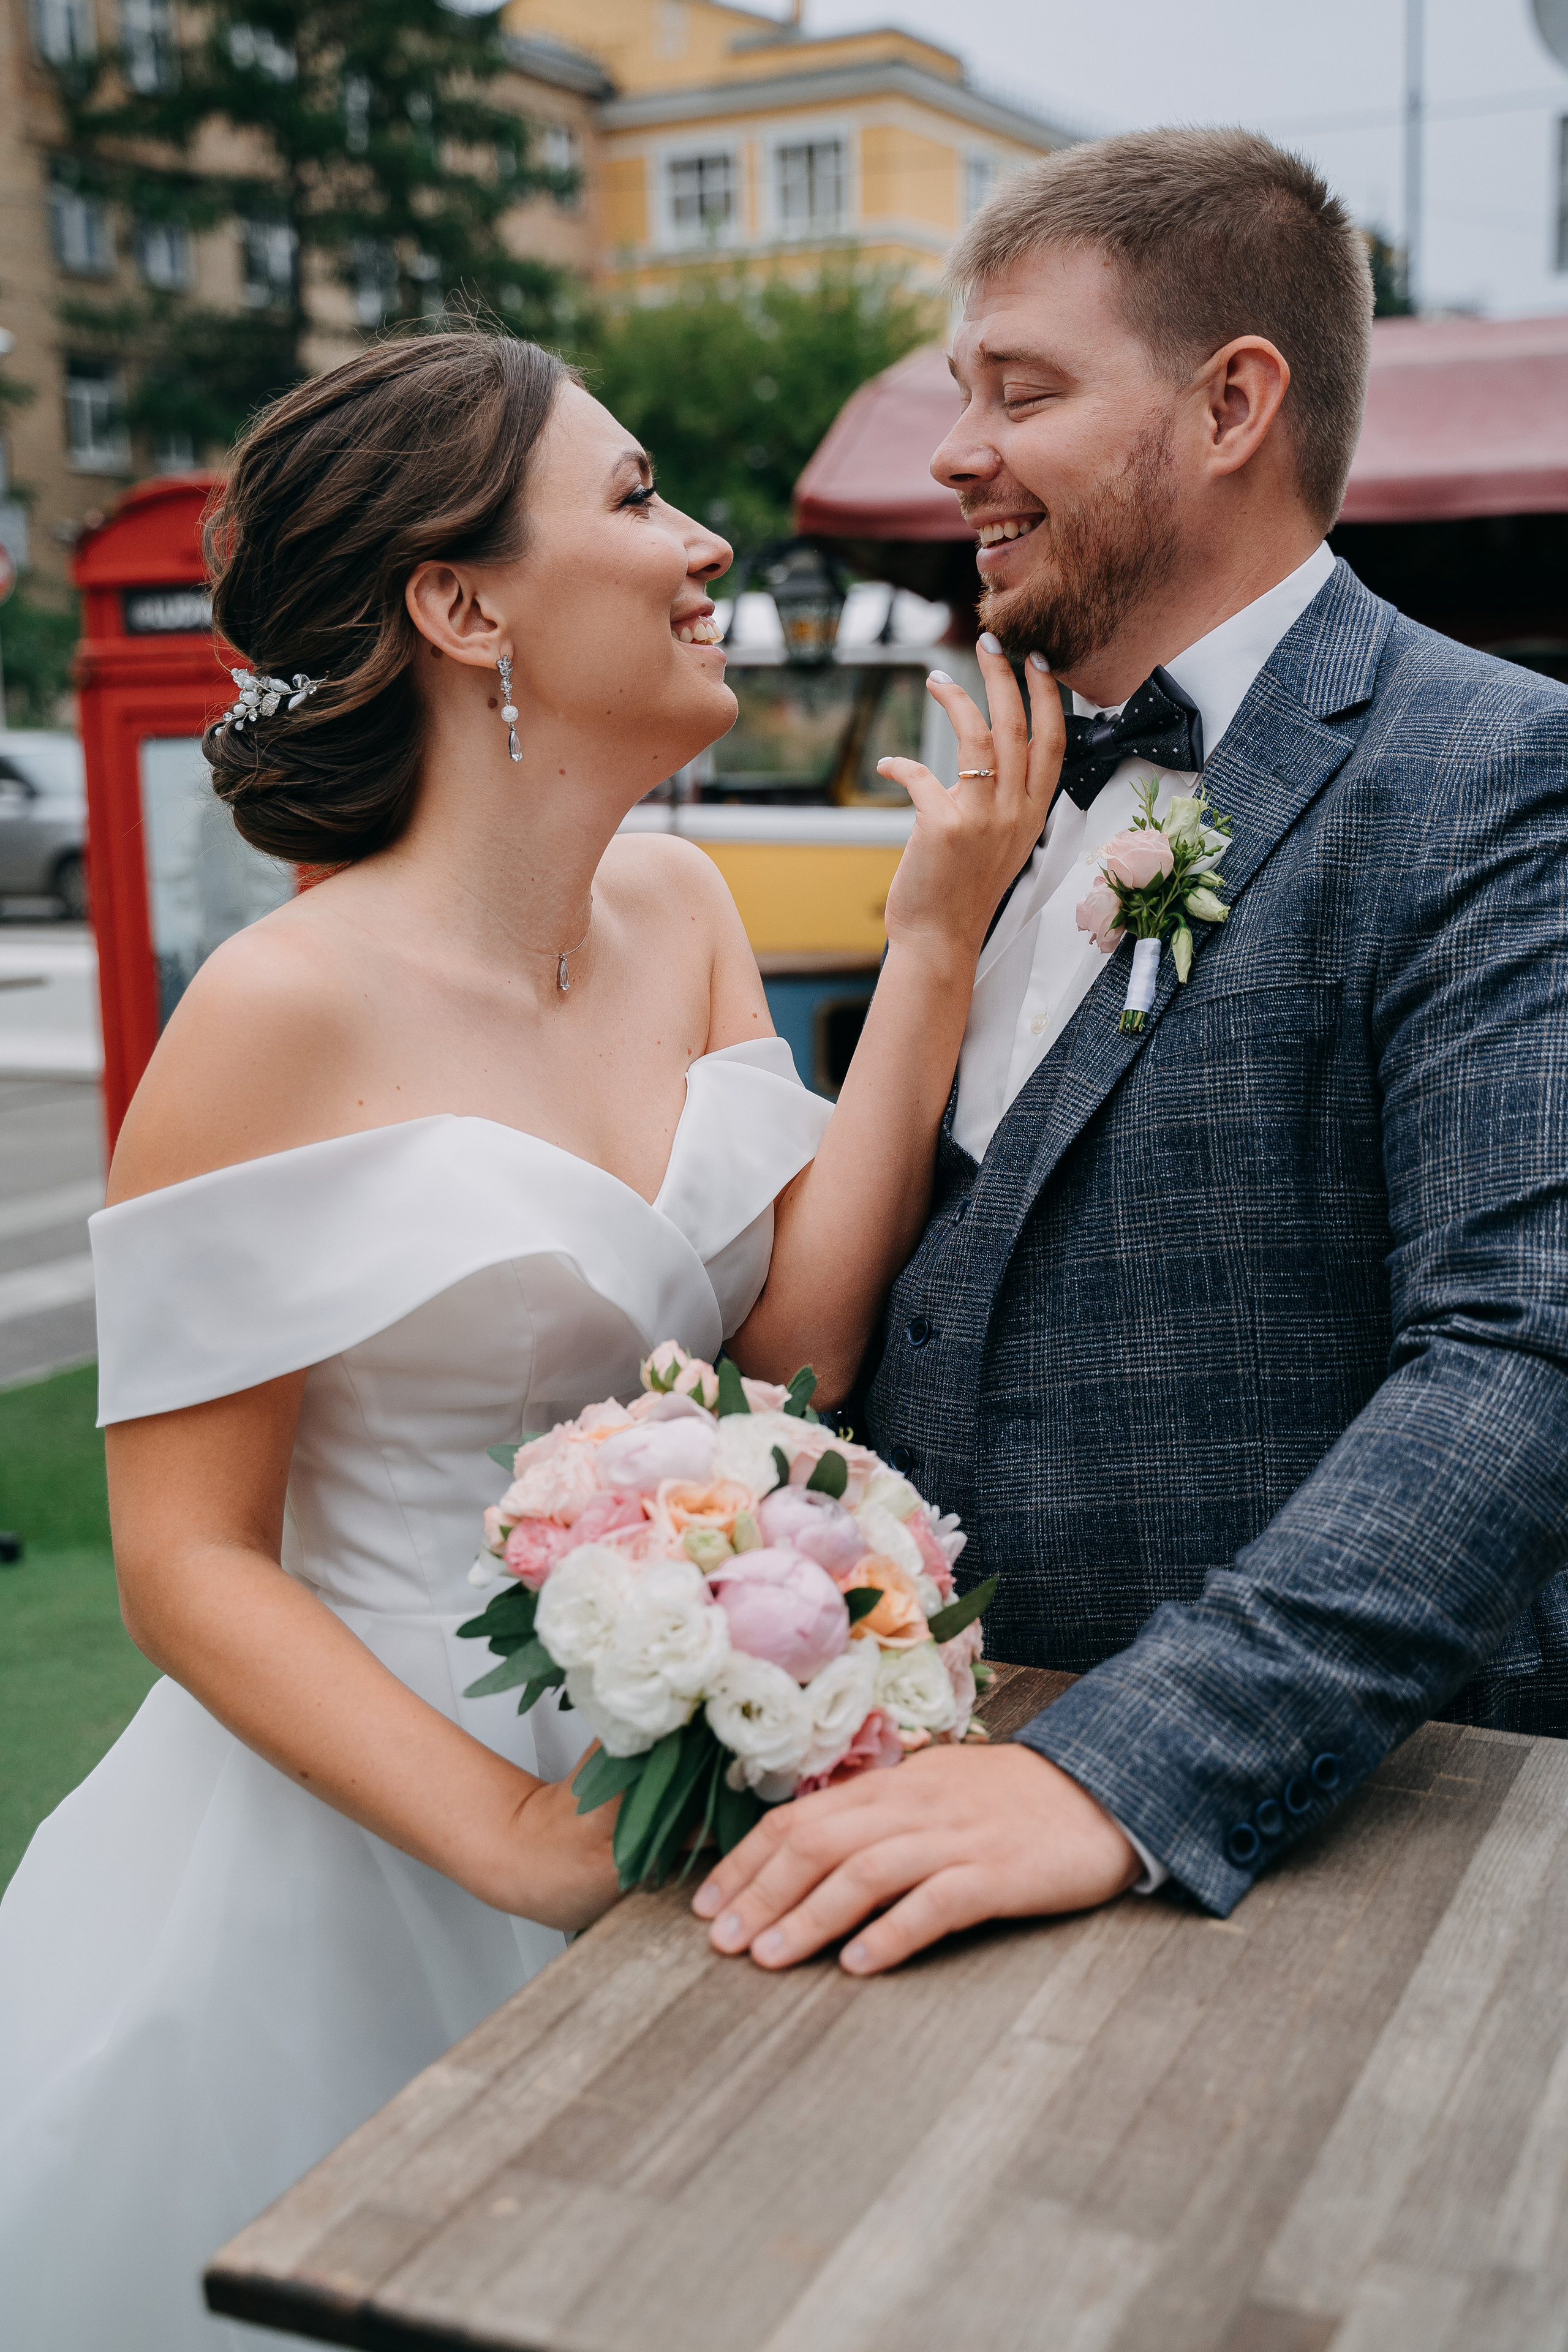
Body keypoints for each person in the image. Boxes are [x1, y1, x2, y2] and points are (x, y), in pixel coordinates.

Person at [0, 332, 1058, 2351]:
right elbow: (186, 1556)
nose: (707, 543)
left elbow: (792, 1356)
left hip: (674, 1756)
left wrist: (935, 940)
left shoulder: (682, 907)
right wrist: (503, 1837)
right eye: (640, 497)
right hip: (368, 1827)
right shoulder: (274, 1012)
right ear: (462, 608)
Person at [692, 127, 1568, 1978]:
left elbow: (1523, 1356)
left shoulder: (1496, 767)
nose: (956, 453)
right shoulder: (1005, 807)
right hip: (918, 1820)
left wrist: (1121, 1770)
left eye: (1023, 393)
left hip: (1297, 1870)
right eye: (961, 394)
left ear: (1233, 403)